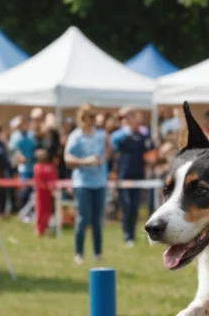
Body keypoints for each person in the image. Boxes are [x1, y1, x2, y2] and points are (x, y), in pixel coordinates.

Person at [65, 104, 108, 265]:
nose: (94, 119)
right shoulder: (75, 137)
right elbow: (67, 159)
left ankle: (98, 253)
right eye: (91, 116)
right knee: (83, 219)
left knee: (97, 220)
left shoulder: (100, 135)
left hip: (99, 182)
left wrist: (103, 159)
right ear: (83, 118)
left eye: (94, 116)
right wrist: (84, 161)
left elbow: (107, 151)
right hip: (82, 182)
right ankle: (78, 253)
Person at [111, 109, 156, 246]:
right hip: (124, 175)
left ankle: (132, 235)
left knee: (135, 206)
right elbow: (113, 145)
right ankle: (127, 235)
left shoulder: (141, 134)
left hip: (138, 175)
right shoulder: (120, 135)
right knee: (126, 206)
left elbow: (150, 148)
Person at [9, 115, 37, 216]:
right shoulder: (16, 136)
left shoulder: (31, 134)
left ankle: (32, 212)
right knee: (24, 190)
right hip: (23, 168)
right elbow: (13, 150)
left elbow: (36, 146)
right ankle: (23, 212)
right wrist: (19, 157)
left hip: (34, 167)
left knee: (33, 191)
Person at [32, 148, 56, 237]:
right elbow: (37, 179)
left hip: (48, 193)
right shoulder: (37, 167)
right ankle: (39, 229)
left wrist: (52, 188)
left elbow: (53, 179)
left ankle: (45, 227)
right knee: (40, 211)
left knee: (47, 211)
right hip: (40, 193)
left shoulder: (50, 167)